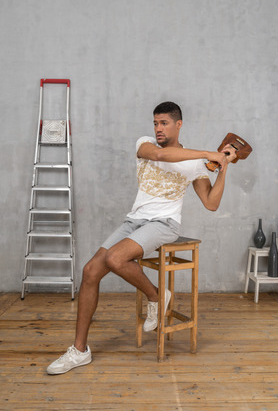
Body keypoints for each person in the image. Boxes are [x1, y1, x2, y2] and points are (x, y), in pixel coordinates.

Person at [47, 101, 236, 375]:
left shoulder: (195, 163)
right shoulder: (145, 144)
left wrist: (224, 166)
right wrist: (212, 153)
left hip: (164, 223)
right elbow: (161, 156)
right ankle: (80, 350)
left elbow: (211, 203)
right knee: (90, 272)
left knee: (114, 258)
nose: (158, 128)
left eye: (164, 123)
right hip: (134, 221)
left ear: (178, 124)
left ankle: (156, 298)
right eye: (156, 123)